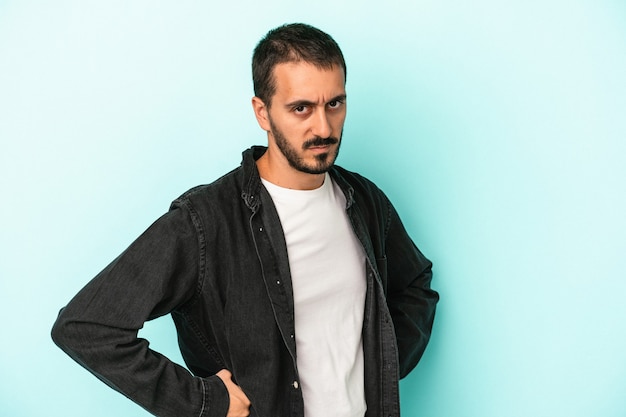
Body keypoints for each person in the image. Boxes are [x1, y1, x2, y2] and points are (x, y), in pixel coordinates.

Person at [51, 23, 439, 417]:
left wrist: (384, 360)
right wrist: (205, 402)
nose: (323, 127)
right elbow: (86, 327)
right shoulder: (205, 222)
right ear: (263, 113)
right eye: (301, 108)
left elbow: (414, 285)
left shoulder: (364, 201)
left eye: (334, 104)